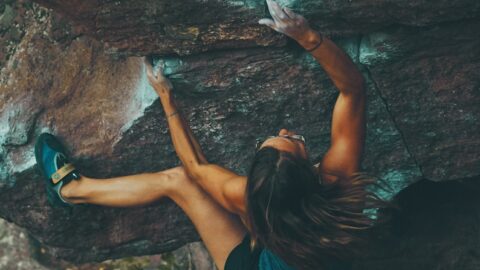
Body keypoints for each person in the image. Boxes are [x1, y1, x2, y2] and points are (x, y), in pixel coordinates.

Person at [35, 1, 382, 269]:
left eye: (285, 138)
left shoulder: (246, 197)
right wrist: (308, 37)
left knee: (179, 181)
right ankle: (71, 191)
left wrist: (168, 99)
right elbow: (353, 91)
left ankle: (71, 190)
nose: (284, 129)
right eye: (288, 138)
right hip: (297, 253)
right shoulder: (338, 182)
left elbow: (196, 168)